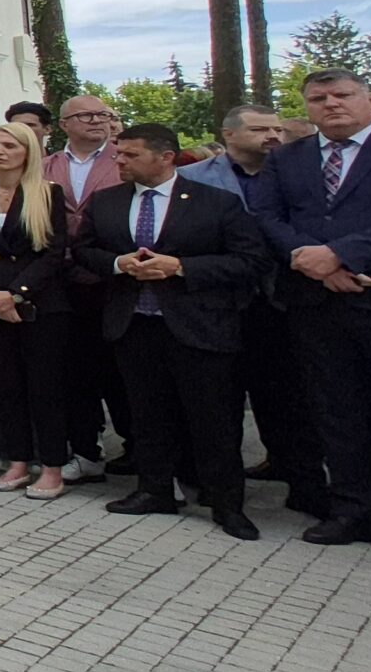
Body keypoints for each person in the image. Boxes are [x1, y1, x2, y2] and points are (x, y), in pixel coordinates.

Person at [251, 69, 371, 571]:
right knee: (338, 414)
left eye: (342, 95)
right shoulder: (287, 158)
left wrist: (340, 254)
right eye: (318, 98)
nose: (331, 104)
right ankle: (354, 510)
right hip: (318, 306)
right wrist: (312, 261)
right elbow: (268, 217)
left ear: (370, 100)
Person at [74, 123, 269, 541]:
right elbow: (84, 251)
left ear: (165, 157)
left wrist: (180, 267)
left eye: (130, 155)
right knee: (147, 414)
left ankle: (226, 503)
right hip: (133, 325)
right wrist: (118, 264)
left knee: (213, 419)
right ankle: (155, 489)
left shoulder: (216, 202)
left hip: (199, 326)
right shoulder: (107, 201)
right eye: (119, 153)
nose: (119, 161)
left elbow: (250, 261)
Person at [184, 104, 322, 512]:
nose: (273, 136)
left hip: (283, 301)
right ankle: (218, 486)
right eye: (261, 129)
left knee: (289, 399)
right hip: (219, 301)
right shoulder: (194, 177)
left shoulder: (300, 173)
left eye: (277, 129)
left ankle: (305, 485)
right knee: (218, 399)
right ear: (229, 134)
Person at [0, 123, 75, 501]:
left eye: (9, 146)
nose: (0, 152)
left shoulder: (47, 193)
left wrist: (15, 295)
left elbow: (53, 252)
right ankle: (17, 461)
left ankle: (53, 467)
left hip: (39, 304)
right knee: (5, 385)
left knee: (45, 387)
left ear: (27, 152)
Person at [48, 94, 128, 484]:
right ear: (64, 124)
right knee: (74, 371)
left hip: (114, 278)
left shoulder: (124, 159)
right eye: (86, 115)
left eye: (103, 114)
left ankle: (140, 448)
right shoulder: (47, 165)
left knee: (122, 372)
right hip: (61, 280)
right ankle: (85, 451)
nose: (96, 120)